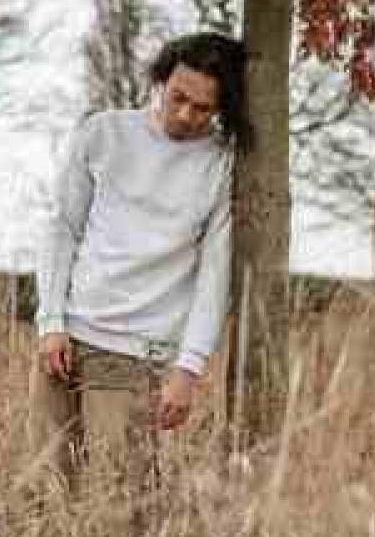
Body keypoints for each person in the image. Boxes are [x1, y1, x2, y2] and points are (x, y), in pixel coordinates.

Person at [29, 31, 247, 521]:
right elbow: (63, 227)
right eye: (179, 98)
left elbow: (215, 275)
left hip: (136, 354)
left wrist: (188, 370)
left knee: (121, 509)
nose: (187, 115)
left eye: (203, 108)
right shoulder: (104, 133)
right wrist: (51, 321)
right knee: (47, 501)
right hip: (65, 342)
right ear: (161, 81)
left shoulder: (220, 164)